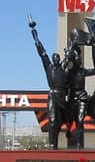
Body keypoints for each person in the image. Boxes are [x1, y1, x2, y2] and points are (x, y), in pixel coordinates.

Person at [29, 18, 69, 149]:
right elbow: (42, 53)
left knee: (65, 120)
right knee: (52, 121)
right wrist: (36, 38)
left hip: (62, 97)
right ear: (52, 59)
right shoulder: (49, 67)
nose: (56, 59)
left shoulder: (63, 67)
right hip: (53, 96)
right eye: (54, 58)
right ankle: (53, 144)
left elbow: (68, 57)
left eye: (58, 57)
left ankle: (69, 132)